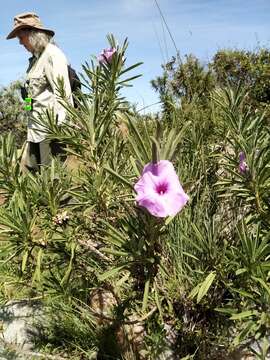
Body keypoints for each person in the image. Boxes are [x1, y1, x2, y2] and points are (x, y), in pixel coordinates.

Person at [6, 12, 73, 172]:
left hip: (50, 132)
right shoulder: (35, 61)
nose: (20, 43)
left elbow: (63, 92)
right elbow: (31, 97)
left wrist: (62, 130)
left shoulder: (52, 55)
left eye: (21, 38)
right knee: (33, 177)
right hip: (34, 130)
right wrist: (27, 108)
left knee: (54, 181)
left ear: (32, 34)